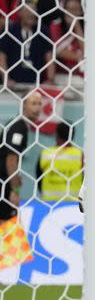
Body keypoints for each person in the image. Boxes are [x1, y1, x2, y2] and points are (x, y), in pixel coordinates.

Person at [0, 92, 42, 224]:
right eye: (33, 103)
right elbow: (11, 159)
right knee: (7, 225)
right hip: (3, 186)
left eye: (40, 104)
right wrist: (15, 190)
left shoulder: (15, 124)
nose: (37, 108)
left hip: (5, 183)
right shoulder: (19, 126)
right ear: (24, 106)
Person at [36, 121, 83, 202]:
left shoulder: (46, 153)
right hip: (73, 203)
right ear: (72, 135)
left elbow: (38, 176)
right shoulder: (80, 154)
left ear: (56, 134)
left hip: (48, 202)